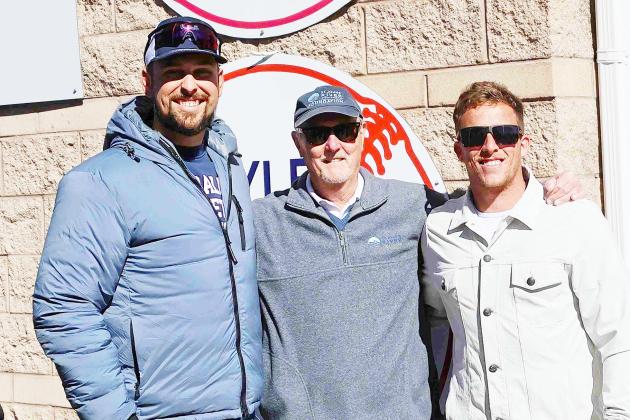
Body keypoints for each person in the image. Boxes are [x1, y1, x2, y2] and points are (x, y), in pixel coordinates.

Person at [253, 85, 581, 419]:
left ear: (362, 135)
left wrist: (544, 192)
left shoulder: (417, 206)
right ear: (299, 142)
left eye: (345, 131)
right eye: (317, 133)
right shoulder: (257, 222)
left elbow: (486, 204)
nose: (333, 145)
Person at [33, 17, 262, 420]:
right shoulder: (100, 181)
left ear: (219, 83)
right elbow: (64, 309)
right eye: (173, 72)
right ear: (147, 82)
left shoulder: (230, 167)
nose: (190, 85)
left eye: (202, 72)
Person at [421, 81, 630, 419]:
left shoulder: (574, 219)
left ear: (523, 142)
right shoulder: (437, 231)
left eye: (503, 133)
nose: (490, 146)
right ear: (459, 150)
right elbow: (435, 323)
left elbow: (619, 335)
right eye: (475, 137)